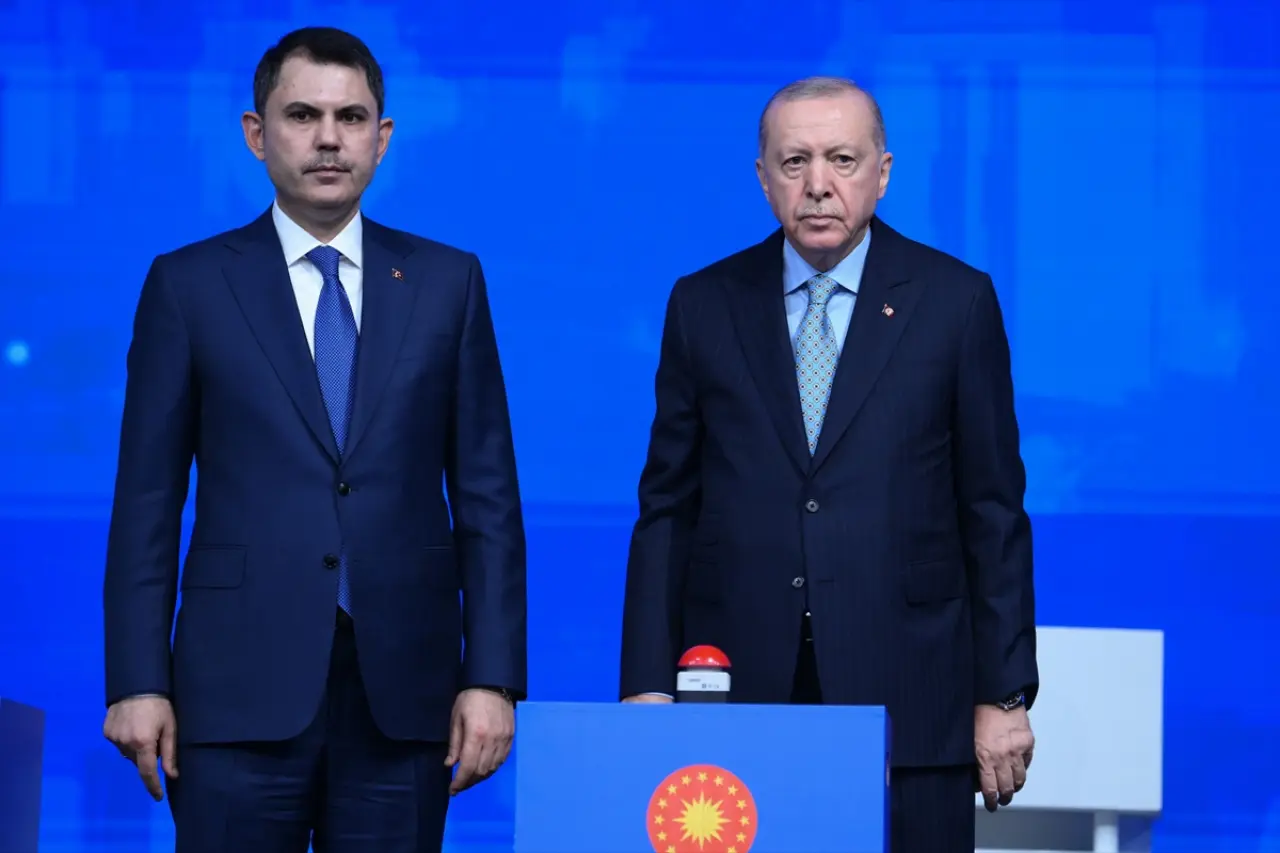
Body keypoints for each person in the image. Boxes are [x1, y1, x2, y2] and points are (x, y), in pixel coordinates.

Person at [101, 26, 526, 853]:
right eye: (302, 115)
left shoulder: (448, 282)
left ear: (382, 137)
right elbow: (146, 501)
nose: (329, 138)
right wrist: (137, 680)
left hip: (405, 693)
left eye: (350, 117)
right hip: (231, 693)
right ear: (256, 133)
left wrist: (492, 675)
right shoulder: (188, 284)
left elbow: (488, 498)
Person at [618, 76, 1037, 853]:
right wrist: (646, 679)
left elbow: (993, 512)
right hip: (737, 694)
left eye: (842, 159)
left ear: (883, 171)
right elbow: (668, 507)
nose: (818, 184)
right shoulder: (703, 304)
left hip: (914, 697)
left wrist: (1003, 694)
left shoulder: (956, 302)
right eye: (795, 161)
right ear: (763, 177)